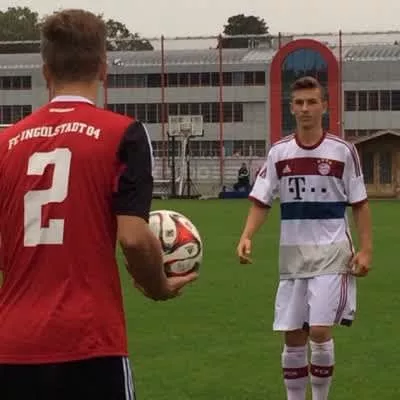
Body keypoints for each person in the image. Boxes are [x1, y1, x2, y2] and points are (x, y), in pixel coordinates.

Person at [0, 9, 197, 400]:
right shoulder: (124, 134)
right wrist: (157, 285)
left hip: (14, 345)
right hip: (91, 341)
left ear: (45, 72)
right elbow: (134, 238)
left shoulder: (6, 143)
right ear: (103, 68)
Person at [237, 76, 372, 400]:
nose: (305, 108)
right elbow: (262, 200)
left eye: (312, 102)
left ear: (324, 106)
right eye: (299, 103)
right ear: (291, 108)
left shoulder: (343, 151)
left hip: (332, 253)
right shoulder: (279, 152)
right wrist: (246, 235)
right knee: (293, 336)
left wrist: (366, 249)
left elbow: (360, 203)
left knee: (320, 331)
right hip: (293, 256)